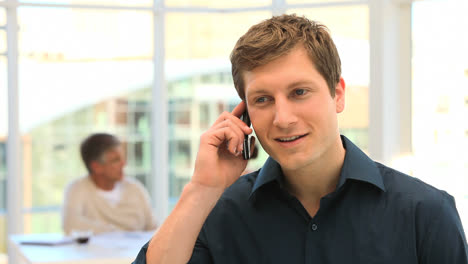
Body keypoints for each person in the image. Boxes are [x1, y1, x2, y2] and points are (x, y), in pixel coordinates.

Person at [133, 14, 468, 263]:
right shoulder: (219, 213)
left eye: (299, 92)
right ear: (244, 113)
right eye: (262, 99)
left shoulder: (425, 213)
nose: (283, 119)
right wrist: (202, 189)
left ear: (337, 94)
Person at [62, 133, 157, 234]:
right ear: (96, 167)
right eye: (115, 160)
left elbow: (154, 230)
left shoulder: (135, 189)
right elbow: (70, 226)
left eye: (123, 158)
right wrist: (117, 233)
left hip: (136, 249)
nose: (124, 164)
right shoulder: (78, 189)